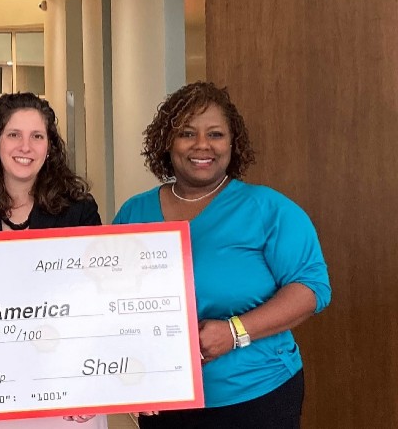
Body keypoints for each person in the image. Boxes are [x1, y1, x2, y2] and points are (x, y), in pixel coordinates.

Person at [113, 82, 330, 429]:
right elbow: (110, 301)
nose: (202, 145)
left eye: (215, 134)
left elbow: (311, 289)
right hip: (167, 397)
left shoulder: (268, 209)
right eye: (187, 133)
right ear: (167, 143)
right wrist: (130, 376)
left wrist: (234, 331)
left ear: (232, 144)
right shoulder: (133, 213)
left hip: (258, 395)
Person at [0, 92, 104, 429]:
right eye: (14, 134)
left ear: (49, 146)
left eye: (37, 136)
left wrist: (90, 384)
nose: (25, 146)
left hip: (65, 387)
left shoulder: (79, 211)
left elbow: (95, 300)